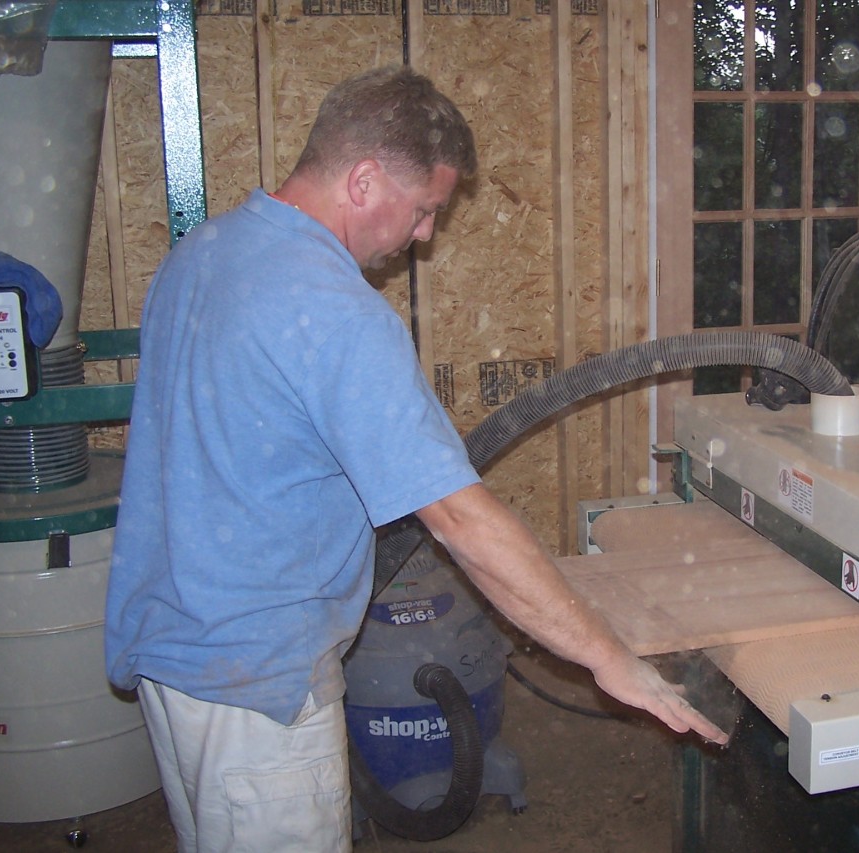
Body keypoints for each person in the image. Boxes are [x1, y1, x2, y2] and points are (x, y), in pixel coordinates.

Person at [104, 64, 726, 853]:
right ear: (364, 179)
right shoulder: (334, 311)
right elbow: (460, 517)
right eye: (425, 209)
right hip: (256, 687)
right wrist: (607, 656)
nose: (425, 235)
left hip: (177, 653)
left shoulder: (207, 251)